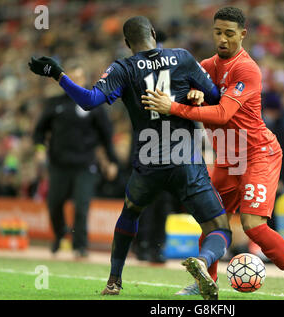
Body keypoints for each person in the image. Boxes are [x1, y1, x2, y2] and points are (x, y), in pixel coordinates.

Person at [28, 16, 232, 301]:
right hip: (185, 159)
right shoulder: (182, 58)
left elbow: (89, 101)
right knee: (219, 228)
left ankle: (114, 280)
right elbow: (216, 98)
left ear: (127, 43)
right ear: (152, 33)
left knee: (130, 213)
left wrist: (58, 74)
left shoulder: (123, 67)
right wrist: (196, 95)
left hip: (148, 163)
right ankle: (204, 258)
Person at [142, 6, 284, 300]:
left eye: (229, 34)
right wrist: (190, 96)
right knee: (210, 219)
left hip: (258, 153)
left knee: (253, 227)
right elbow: (187, 92)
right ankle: (205, 283)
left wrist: (174, 106)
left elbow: (222, 113)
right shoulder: (206, 65)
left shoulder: (246, 69)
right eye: (218, 32)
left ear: (243, 35)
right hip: (227, 157)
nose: (222, 39)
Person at [33, 65, 119, 258]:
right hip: (58, 164)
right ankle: (59, 233)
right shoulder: (54, 104)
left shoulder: (93, 104)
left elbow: (107, 136)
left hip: (85, 164)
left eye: (79, 77)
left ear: (85, 80)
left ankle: (80, 246)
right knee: (54, 203)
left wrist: (112, 161)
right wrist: (39, 149)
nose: (76, 81)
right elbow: (39, 131)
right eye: (72, 78)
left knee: (82, 205)